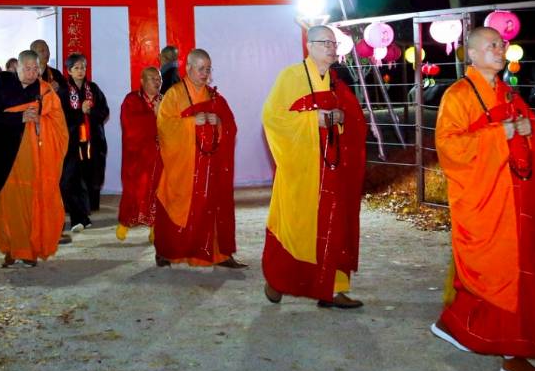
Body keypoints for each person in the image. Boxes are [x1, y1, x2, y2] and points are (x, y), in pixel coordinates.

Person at [432, 25, 535, 371]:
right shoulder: (457, 95)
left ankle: (456, 324)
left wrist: (528, 129)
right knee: (497, 272)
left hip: (516, 196)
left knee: (514, 270)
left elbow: (529, 131)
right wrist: (498, 134)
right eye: (492, 45)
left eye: (502, 44)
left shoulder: (508, 93)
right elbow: (449, 147)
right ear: (471, 54)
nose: (501, 50)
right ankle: (511, 355)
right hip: (486, 199)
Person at [260, 26, 368, 308]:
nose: (332, 48)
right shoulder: (291, 77)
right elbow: (272, 119)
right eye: (326, 43)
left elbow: (355, 121)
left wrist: (341, 117)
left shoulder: (336, 82)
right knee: (297, 227)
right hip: (303, 168)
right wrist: (312, 119)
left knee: (335, 224)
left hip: (333, 169)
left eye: (334, 44)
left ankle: (333, 288)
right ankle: (278, 281)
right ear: (309, 46)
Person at [153, 48, 244, 269]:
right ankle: (169, 252)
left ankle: (219, 254)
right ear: (188, 68)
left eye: (208, 69)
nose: (205, 74)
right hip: (184, 165)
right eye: (201, 69)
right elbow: (164, 127)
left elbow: (231, 125)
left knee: (214, 206)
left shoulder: (214, 97)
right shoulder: (174, 94)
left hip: (210, 166)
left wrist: (219, 122)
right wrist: (190, 122)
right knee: (177, 205)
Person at [0, 49, 67, 267]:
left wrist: (40, 122)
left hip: (33, 158)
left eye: (35, 68)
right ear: (17, 68)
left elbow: (58, 125)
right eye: (27, 68)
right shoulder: (2, 87)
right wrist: (19, 118)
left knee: (31, 204)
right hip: (6, 159)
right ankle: (10, 249)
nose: (32, 73)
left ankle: (29, 251)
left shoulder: (45, 91)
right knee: (8, 205)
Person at [58, 52, 110, 232]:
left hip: (93, 143)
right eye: (76, 68)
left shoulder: (93, 89)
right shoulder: (63, 92)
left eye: (83, 67)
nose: (81, 71)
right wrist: (79, 111)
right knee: (70, 180)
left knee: (89, 180)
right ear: (69, 71)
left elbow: (104, 111)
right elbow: (60, 118)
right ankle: (77, 218)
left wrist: (90, 112)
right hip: (72, 143)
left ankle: (84, 216)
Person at [116, 66, 163, 241]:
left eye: (159, 79)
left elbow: (174, 125)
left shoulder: (165, 100)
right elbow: (130, 125)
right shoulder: (131, 100)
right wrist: (155, 117)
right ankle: (124, 223)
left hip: (158, 157)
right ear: (142, 81)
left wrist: (163, 116)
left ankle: (155, 227)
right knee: (133, 191)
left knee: (157, 191)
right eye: (152, 79)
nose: (157, 82)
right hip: (136, 157)